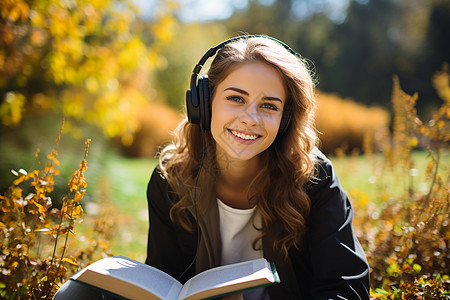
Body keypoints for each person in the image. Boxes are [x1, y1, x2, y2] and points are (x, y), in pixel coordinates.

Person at [145, 35, 370, 300]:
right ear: (204, 104)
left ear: (285, 119)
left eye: (268, 106)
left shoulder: (316, 180)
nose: (250, 119)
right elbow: (162, 283)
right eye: (236, 99)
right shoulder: (170, 180)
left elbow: (346, 290)